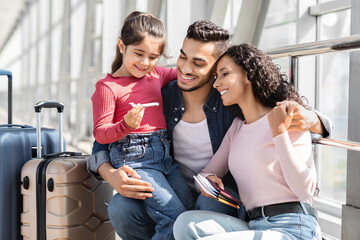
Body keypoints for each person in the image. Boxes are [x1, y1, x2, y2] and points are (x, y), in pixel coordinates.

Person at [87, 20, 332, 239]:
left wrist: (316, 120)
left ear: (218, 68)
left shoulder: (229, 102)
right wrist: (108, 173)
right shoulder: (160, 94)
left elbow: (271, 105)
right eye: (183, 57)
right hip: (167, 186)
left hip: (219, 199)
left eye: (198, 62)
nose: (184, 68)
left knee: (208, 202)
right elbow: (104, 137)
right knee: (121, 207)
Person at [173, 44, 323, 240]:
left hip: (294, 227)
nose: (217, 84)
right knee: (185, 224)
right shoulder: (237, 127)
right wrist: (209, 183)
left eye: (225, 74)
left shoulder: (287, 116)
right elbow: (207, 173)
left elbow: (304, 190)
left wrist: (279, 133)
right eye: (216, 77)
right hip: (253, 224)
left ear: (249, 75)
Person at [91, 11, 193, 240]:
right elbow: (100, 134)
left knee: (187, 207)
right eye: (139, 53)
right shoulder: (107, 88)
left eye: (153, 57)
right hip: (135, 160)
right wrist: (125, 125)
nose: (145, 63)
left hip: (165, 159)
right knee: (173, 217)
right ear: (121, 45)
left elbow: (188, 74)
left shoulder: (156, 75)